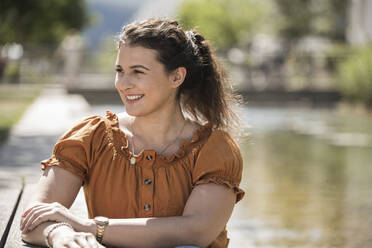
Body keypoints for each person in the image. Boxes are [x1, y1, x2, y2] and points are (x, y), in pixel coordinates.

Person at [20, 18, 245, 248]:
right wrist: (60, 233)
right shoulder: (92, 136)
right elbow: (33, 217)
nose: (123, 84)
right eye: (120, 71)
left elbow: (196, 232)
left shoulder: (214, 148)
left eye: (138, 72)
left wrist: (89, 227)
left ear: (176, 77)